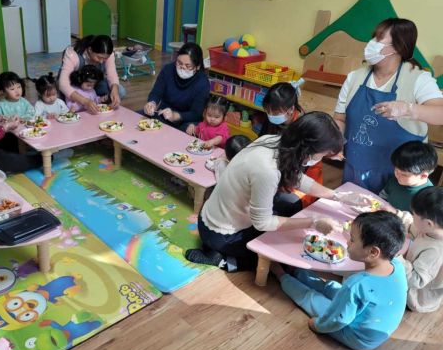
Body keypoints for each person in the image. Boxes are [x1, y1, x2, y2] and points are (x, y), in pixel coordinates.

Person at [185, 112, 370, 272]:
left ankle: (220, 251)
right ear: (307, 149)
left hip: (211, 216)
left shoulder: (273, 141)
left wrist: (338, 196)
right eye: (322, 155)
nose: (322, 159)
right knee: (282, 258)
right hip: (222, 235)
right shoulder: (268, 170)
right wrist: (313, 222)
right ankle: (224, 260)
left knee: (290, 208)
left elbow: (297, 178)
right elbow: (262, 222)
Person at [334, 18, 443, 193]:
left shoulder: (417, 79)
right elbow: (340, 119)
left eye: (378, 39)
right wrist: (335, 142)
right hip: (355, 168)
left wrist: (408, 109)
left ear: (397, 47)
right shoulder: (354, 77)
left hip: (399, 177)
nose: (371, 43)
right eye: (373, 38)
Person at [272, 211, 407, 350]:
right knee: (332, 286)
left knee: (312, 297)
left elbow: (338, 320)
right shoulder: (397, 266)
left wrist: (317, 326)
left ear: (373, 252)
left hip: (356, 337)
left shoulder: (357, 284)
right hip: (372, 328)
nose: (348, 242)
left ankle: (281, 275)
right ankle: (297, 271)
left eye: (352, 240)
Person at [260, 82, 324, 215]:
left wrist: (278, 182)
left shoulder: (306, 128)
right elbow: (262, 144)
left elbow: (301, 167)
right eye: (267, 110)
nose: (270, 114)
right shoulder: (271, 119)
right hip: (277, 171)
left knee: (283, 201)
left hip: (301, 177)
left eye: (275, 111)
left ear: (291, 109)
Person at [143, 42, 210, 131]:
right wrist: (152, 103)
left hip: (186, 120)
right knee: (141, 119)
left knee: (186, 132)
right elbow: (156, 92)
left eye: (187, 66)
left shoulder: (202, 83)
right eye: (179, 63)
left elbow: (196, 113)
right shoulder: (168, 69)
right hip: (164, 114)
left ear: (197, 66)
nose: (182, 67)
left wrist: (175, 116)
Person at [397, 187, 443, 313]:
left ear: (428, 224)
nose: (412, 216)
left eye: (414, 215)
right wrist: (397, 214)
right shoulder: (432, 230)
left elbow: (416, 280)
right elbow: (414, 228)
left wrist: (398, 258)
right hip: (413, 270)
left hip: (414, 297)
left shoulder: (435, 252)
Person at [58, 35, 125, 114]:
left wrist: (115, 91)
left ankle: (97, 106)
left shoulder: (108, 55)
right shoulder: (73, 54)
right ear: (90, 50)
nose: (101, 61)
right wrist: (85, 101)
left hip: (93, 85)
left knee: (120, 91)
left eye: (105, 58)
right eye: (99, 57)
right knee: (58, 104)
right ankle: (88, 104)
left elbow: (112, 74)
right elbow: (63, 84)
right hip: (74, 86)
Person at [379, 141, 437, 212]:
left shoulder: (427, 197)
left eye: (403, 174)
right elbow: (384, 195)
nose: (396, 175)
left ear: (423, 176)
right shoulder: (396, 180)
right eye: (396, 169)